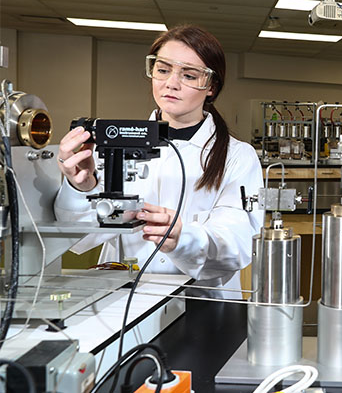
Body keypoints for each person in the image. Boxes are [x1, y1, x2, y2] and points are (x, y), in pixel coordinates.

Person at [55, 25, 263, 299]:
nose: (171, 83)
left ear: (211, 87)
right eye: (163, 70)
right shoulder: (115, 144)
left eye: (188, 75)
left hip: (202, 303)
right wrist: (82, 188)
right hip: (125, 299)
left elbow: (238, 243)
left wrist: (183, 238)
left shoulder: (237, 157)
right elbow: (77, 236)